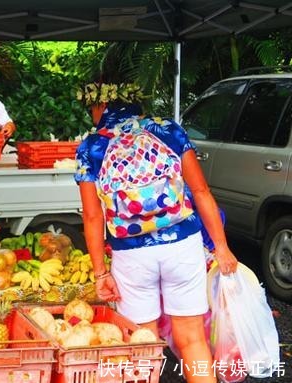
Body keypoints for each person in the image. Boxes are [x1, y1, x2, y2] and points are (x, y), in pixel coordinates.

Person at [75, 103, 238, 383]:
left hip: (131, 255)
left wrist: (101, 272)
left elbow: (92, 216)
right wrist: (221, 247)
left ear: (101, 103)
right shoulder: (168, 130)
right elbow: (200, 190)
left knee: (143, 345)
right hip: (182, 245)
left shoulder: (91, 147)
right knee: (192, 340)